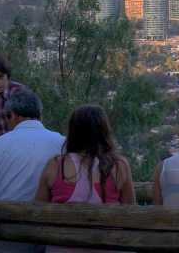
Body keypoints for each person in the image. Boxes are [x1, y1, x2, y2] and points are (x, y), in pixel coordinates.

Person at [0, 89, 64, 253]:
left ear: (12, 115)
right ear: (40, 115)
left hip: (6, 240)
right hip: (52, 239)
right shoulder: (62, 143)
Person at [35, 105, 135, 253]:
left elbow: (37, 211)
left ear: (73, 132)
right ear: (104, 131)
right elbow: (130, 211)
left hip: (62, 247)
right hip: (110, 246)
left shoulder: (56, 165)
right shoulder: (119, 166)